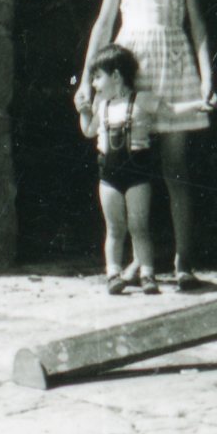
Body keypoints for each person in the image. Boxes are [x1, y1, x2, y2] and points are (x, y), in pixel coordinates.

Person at [80, 0, 215, 289]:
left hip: (173, 67)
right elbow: (104, 23)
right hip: (131, 67)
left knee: (176, 168)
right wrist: (87, 77)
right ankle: (137, 263)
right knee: (130, 165)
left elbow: (198, 25)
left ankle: (183, 261)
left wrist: (207, 77)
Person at [78, 46, 159, 292]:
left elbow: (171, 110)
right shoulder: (102, 106)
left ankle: (147, 274)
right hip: (109, 177)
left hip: (137, 175)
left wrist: (198, 104)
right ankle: (113, 273)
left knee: (139, 227)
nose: (93, 84)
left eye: (97, 77)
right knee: (114, 228)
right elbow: (88, 131)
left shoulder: (142, 99)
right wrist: (83, 111)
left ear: (115, 76)